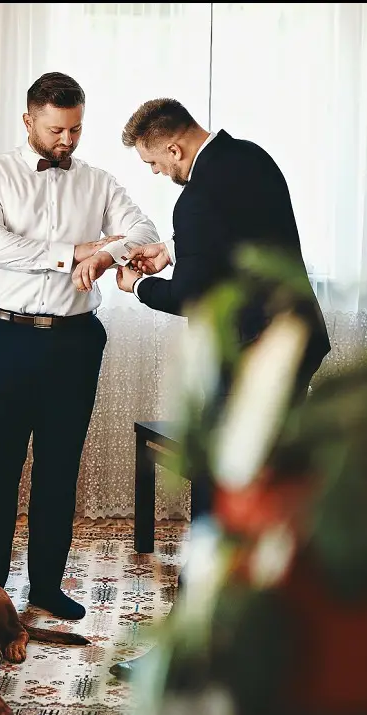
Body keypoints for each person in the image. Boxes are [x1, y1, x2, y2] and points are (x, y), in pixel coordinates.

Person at [109, 98, 331, 680]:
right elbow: (240, 245)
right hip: (295, 343)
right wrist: (176, 252)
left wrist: (138, 286)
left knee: (219, 493)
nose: (157, 173)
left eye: (155, 162)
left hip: (258, 357)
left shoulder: (197, 196)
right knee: (261, 490)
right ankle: (259, 634)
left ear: (174, 147)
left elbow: (191, 296)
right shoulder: (251, 158)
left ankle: (191, 651)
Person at [0, 72, 160, 620]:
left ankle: (46, 587)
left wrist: (107, 250)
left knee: (59, 468)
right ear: (29, 121)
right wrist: (78, 250)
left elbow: (143, 231)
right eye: (55, 130)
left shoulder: (98, 181)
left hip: (75, 343)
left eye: (75, 129)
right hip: (4, 338)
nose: (66, 141)